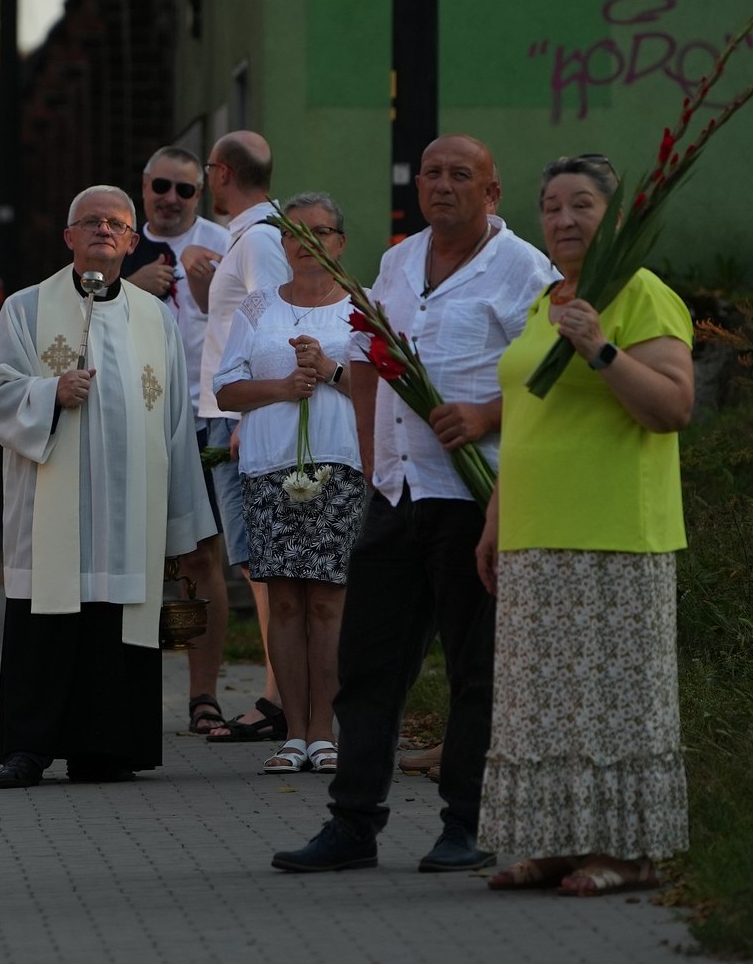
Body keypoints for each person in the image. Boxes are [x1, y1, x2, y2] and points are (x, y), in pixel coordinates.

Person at [273, 135, 556, 874]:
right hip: (398, 494)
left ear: (492, 192)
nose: (442, 185)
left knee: (475, 670)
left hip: (477, 497)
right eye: (432, 173)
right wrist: (374, 458)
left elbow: (554, 374)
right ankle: (352, 822)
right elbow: (368, 356)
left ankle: (468, 822)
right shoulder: (400, 262)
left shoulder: (524, 268)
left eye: (461, 174)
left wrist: (487, 415)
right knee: (368, 664)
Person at [477, 153, 695, 895]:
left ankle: (629, 854)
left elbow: (672, 407)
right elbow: (525, 416)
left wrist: (600, 349)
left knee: (612, 704)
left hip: (615, 533)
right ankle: (559, 843)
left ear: (616, 216)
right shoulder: (547, 299)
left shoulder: (641, 294)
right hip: (535, 532)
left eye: (582, 205)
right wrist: (496, 517)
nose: (565, 219)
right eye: (552, 207)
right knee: (543, 704)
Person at [0, 185, 216, 788]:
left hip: (128, 514)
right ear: (69, 237)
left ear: (132, 242)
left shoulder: (156, 317)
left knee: (118, 618)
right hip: (50, 510)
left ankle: (106, 749)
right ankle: (28, 749)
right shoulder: (27, 309)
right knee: (47, 621)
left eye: (115, 224)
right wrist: (49, 393)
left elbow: (175, 423)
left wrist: (182, 524)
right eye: (91, 222)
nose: (104, 230)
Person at [212, 191, 367, 774]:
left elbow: (389, 388)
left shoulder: (361, 306)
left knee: (326, 601)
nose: (307, 243)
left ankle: (325, 731)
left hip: (339, 466)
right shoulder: (258, 307)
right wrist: (282, 388)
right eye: (295, 234)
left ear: (340, 242)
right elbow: (226, 389)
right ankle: (293, 733)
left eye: (319, 232)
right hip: (269, 467)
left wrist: (330, 371)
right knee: (282, 601)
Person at [120, 146, 237, 738]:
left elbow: (255, 317)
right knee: (133, 558)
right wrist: (129, 286)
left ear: (201, 194)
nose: (171, 198)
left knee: (201, 558)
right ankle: (126, 693)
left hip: (205, 417)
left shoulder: (226, 244)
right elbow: (80, 319)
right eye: (161, 186)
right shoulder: (119, 247)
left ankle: (203, 694)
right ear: (144, 186)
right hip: (135, 420)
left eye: (185, 189)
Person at [191, 130, 290, 743]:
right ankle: (282, 696)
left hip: (240, 417)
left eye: (207, 170)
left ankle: (280, 699)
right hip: (229, 413)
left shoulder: (258, 239)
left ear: (222, 172)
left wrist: (250, 416)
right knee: (257, 561)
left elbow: (273, 318)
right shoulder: (249, 236)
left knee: (262, 563)